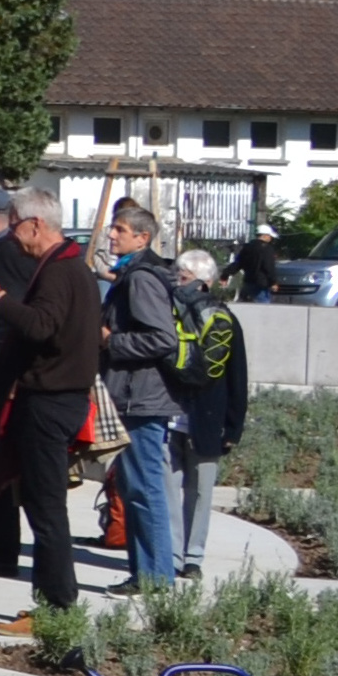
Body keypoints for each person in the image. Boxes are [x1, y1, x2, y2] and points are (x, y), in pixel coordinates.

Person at [0, 195, 102, 621]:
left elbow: (40, 325)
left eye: (14, 225)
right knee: (43, 503)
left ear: (35, 225)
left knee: (45, 506)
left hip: (50, 401)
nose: (11, 236)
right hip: (61, 398)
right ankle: (56, 600)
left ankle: (55, 606)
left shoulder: (59, 270)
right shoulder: (74, 267)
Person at [95, 200, 188, 593]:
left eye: (119, 229)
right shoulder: (129, 274)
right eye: (113, 228)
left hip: (142, 400)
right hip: (134, 398)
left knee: (146, 488)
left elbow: (162, 338)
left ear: (142, 238)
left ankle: (155, 578)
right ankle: (144, 575)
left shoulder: (140, 279)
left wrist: (112, 341)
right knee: (135, 488)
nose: (111, 235)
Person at [166, 248, 253, 580]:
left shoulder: (224, 319)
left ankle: (192, 557)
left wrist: (233, 427)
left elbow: (237, 377)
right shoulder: (167, 314)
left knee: (201, 492)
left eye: (184, 277)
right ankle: (172, 554)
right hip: (170, 415)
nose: (178, 283)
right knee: (170, 490)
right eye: (177, 276)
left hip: (207, 418)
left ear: (203, 282)